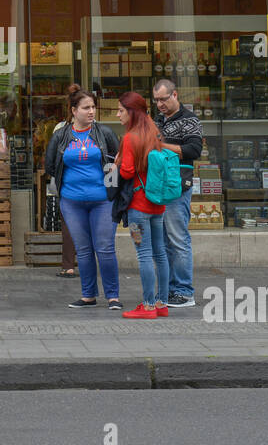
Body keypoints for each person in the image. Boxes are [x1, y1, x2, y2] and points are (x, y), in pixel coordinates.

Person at [43, 85, 122, 310]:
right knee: (84, 249)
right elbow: (50, 164)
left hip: (102, 201)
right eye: (86, 107)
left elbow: (114, 164)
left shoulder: (104, 133)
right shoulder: (61, 135)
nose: (91, 111)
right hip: (71, 202)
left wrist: (112, 193)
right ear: (73, 110)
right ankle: (88, 295)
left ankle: (113, 296)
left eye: (93, 107)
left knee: (105, 247)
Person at [115, 90, 170, 319]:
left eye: (120, 110)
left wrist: (117, 163)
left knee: (143, 254)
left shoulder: (130, 138)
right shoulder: (154, 133)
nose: (118, 115)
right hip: (157, 205)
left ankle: (147, 306)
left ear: (132, 112)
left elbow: (127, 171)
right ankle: (161, 303)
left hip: (138, 208)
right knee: (160, 254)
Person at [153, 78, 203, 308]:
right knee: (163, 241)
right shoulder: (158, 120)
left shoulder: (190, 120)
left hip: (178, 186)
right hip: (158, 187)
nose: (160, 104)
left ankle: (184, 292)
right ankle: (169, 290)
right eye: (156, 100)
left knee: (178, 238)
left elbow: (194, 150)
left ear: (175, 95)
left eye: (164, 99)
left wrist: (161, 145)